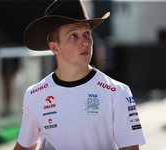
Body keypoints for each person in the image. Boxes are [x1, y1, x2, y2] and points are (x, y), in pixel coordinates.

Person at [14, 0, 146, 150]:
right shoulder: (34, 94)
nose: (85, 42)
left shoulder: (118, 92)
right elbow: (24, 147)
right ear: (54, 47)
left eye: (87, 33)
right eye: (73, 36)